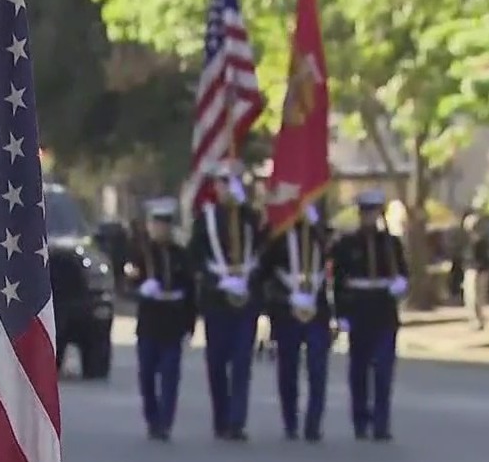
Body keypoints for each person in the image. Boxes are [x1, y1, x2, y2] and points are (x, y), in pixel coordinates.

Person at [189, 161, 266, 441]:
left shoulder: (250, 218)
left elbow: (265, 251)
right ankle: (221, 418)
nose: (227, 187)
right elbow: (195, 258)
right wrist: (215, 281)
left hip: (246, 299)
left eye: (232, 181)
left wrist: (248, 210)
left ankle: (237, 421)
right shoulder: (206, 218)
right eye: (223, 182)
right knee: (217, 362)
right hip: (217, 299)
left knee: (242, 360)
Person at [331, 189, 408, 441]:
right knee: (360, 370)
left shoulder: (391, 243)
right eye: (366, 212)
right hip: (359, 310)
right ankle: (361, 419)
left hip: (384, 310)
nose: (370, 217)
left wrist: (401, 285)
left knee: (384, 370)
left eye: (374, 212)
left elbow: (403, 273)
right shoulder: (347, 244)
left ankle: (382, 423)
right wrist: (340, 314)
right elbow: (339, 282)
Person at [123, 198, 196, 441]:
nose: (160, 229)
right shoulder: (140, 254)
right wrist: (141, 289)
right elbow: (127, 283)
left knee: (170, 375)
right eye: (156, 224)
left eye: (165, 224)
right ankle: (152, 418)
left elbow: (190, 291)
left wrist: (190, 324)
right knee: (146, 375)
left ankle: (165, 422)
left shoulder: (180, 255)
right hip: (149, 324)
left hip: (172, 324)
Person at [259, 205, 332, 442]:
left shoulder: (321, 235)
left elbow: (335, 260)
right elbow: (264, 271)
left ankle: (313, 425)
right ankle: (290, 421)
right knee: (288, 370)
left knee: (318, 369)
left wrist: (318, 229)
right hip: (286, 311)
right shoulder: (278, 237)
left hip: (317, 312)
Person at [461, 212, 489, 330]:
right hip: (470, 270)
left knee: (476, 298)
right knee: (469, 297)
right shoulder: (468, 242)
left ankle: (479, 320)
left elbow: (483, 259)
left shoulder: (480, 242)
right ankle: (475, 320)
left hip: (478, 271)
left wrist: (479, 270)